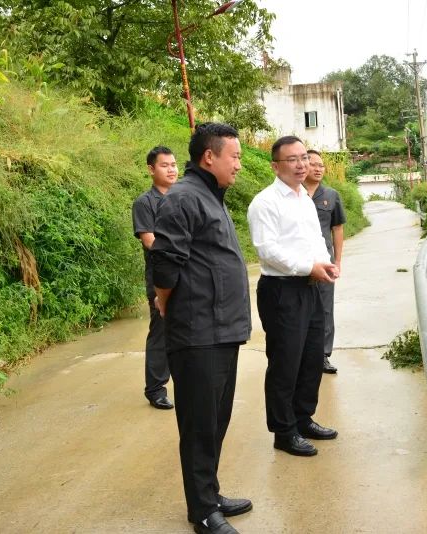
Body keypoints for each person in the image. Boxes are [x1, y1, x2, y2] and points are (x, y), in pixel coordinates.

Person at [151, 123, 252, 534]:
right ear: (209, 157)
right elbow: (164, 263)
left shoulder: (211, 196)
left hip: (222, 330)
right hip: (197, 333)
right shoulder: (183, 198)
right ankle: (203, 512)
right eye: (235, 156)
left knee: (216, 420)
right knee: (198, 425)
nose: (240, 165)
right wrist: (163, 300)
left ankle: (210, 493)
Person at [247, 135, 339, 458]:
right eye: (293, 160)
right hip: (282, 290)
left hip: (311, 285)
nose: (302, 165)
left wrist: (325, 265)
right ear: (275, 165)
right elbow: (268, 251)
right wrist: (307, 267)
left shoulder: (304, 198)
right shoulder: (265, 202)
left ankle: (303, 418)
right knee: (285, 362)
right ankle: (283, 432)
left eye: (304, 157)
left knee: (312, 357)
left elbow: (314, 238)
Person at [132, 146, 178, 410]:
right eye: (165, 165)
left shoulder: (184, 198)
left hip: (188, 273)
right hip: (161, 275)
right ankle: (155, 388)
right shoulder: (145, 203)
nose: (171, 169)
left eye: (173, 164)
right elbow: (150, 241)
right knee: (161, 330)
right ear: (151, 169)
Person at [304, 149, 346, 375]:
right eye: (313, 164)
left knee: (325, 308)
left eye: (321, 165)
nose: (318, 168)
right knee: (302, 307)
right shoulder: (294, 193)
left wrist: (337, 261)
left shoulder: (331, 195)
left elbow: (337, 228)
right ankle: (303, 353)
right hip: (299, 262)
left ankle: (322, 355)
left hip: (324, 262)